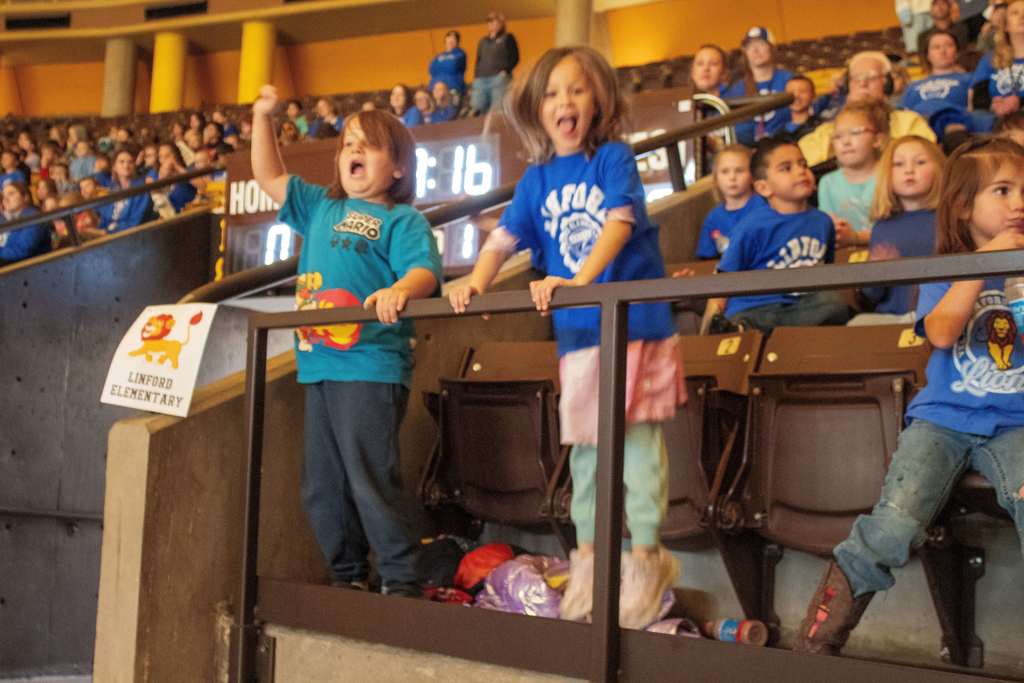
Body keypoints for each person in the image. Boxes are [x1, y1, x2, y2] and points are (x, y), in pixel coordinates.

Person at [449, 46, 684, 629]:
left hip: (637, 326)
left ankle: (648, 558)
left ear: (599, 100)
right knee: (585, 454)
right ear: (537, 110)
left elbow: (619, 223)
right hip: (578, 335)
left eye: (577, 90)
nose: (565, 103)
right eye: (552, 93)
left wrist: (577, 280)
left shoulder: (614, 160)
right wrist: (474, 283)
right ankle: (588, 561)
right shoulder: (536, 179)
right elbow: (504, 239)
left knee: (637, 447)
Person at [794, 135, 1024, 657]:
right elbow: (942, 333)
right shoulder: (944, 268)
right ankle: (818, 641)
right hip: (942, 421)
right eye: (1004, 190)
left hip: (1015, 421)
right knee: (894, 522)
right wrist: (986, 260)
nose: (1019, 203)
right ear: (964, 207)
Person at [251, 84, 442, 598]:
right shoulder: (318, 206)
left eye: (368, 145)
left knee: (369, 478)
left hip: (370, 367)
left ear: (398, 167)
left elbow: (424, 271)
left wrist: (399, 289)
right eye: (347, 144)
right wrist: (262, 117)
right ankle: (348, 576)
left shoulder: (401, 220)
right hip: (319, 367)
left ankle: (403, 582)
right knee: (322, 487)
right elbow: (268, 175)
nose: (352, 151)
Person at [703, 138, 849, 333]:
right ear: (763, 187)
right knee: (746, 319)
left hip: (805, 306)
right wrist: (712, 320)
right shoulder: (752, 226)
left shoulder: (822, 221)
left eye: (803, 164)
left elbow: (825, 271)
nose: (800, 171)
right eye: (786, 168)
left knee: (834, 304)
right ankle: (739, 329)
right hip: (758, 308)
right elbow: (724, 277)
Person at [850, 135, 944, 325]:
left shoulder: (949, 220)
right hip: (893, 319)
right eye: (899, 164)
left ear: (939, 169)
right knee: (856, 324)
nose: (909, 170)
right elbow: (872, 296)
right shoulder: (882, 228)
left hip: (942, 316)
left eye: (920, 162)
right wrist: (875, 273)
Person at [800, 52, 937, 166]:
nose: (863, 83)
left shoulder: (908, 121)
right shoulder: (825, 133)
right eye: (856, 78)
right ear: (848, 87)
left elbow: (927, 160)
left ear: (887, 84)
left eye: (871, 77)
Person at [819, 101, 888, 246]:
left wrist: (857, 238)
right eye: (838, 136)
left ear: (878, 139)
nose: (845, 142)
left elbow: (896, 231)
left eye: (855, 132)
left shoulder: (890, 176)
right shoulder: (827, 183)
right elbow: (830, 230)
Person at [723, 27, 793, 145]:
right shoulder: (737, 89)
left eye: (761, 44)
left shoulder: (789, 80)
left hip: (786, 142)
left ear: (772, 48)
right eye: (750, 46)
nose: (755, 50)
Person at [695, 145, 765, 259]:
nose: (732, 177)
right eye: (725, 171)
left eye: (739, 170)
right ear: (716, 178)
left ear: (752, 175)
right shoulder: (713, 218)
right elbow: (706, 259)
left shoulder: (764, 207)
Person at [471, 11, 520, 116]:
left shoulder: (508, 37)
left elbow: (515, 57)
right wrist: (476, 75)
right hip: (481, 79)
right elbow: (478, 59)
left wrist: (506, 71)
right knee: (477, 108)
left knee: (498, 111)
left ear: (502, 23)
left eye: (494, 21)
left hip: (499, 79)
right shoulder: (483, 41)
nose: (491, 24)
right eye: (489, 22)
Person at [98, 147, 155, 234]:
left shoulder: (141, 188)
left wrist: (107, 232)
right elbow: (105, 218)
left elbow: (135, 223)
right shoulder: (112, 189)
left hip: (131, 237)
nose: (126, 165)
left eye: (130, 162)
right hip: (109, 235)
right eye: (122, 162)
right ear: (114, 167)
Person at [987, 0, 1024, 116]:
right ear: (1006, 26)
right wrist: (994, 104)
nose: (1022, 16)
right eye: (1015, 13)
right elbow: (976, 100)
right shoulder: (990, 59)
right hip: (997, 120)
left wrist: (1019, 102)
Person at [0, 181, 50, 265]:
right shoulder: (10, 219)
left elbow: (23, 250)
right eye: (3, 196)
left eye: (11, 194)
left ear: (25, 197)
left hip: (31, 270)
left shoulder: (33, 217)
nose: (5, 199)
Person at [429, 30, 467, 103]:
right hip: (436, 90)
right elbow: (431, 69)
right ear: (445, 40)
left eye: (453, 38)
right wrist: (446, 63)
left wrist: (440, 64)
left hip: (453, 90)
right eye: (449, 37)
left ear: (457, 42)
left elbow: (452, 66)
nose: (450, 40)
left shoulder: (460, 54)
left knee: (452, 112)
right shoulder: (438, 56)